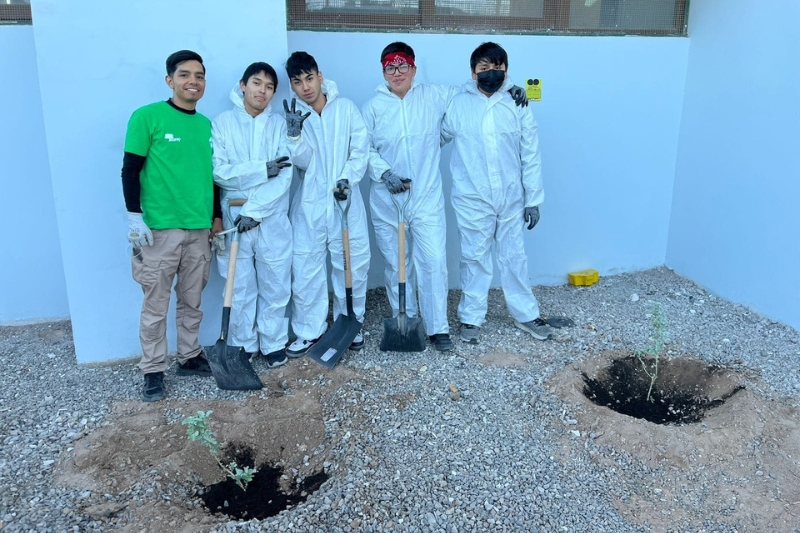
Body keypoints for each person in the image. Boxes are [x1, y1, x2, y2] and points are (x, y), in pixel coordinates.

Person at [362, 42, 530, 352]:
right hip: (387, 200)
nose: (397, 73)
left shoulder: (435, 96)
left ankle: (437, 327)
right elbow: (363, 148)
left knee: (434, 261)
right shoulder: (372, 107)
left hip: (425, 196)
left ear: (413, 68)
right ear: (383, 71)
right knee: (397, 264)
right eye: (390, 67)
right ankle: (408, 319)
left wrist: (508, 89)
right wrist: (383, 172)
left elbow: (476, 94)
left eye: (403, 66)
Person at [122, 50, 222, 402]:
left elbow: (213, 178)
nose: (192, 81)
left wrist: (216, 219)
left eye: (199, 75)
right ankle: (152, 369)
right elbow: (130, 168)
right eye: (184, 75)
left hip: (198, 229)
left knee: (192, 299)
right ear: (170, 80)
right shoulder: (148, 117)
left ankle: (189, 356)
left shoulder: (207, 125)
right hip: (160, 230)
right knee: (155, 303)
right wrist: (134, 216)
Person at [441, 42, 555, 345]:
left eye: (498, 69)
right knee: (474, 257)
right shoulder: (457, 103)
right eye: (484, 69)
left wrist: (534, 199)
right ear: (473, 71)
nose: (491, 74)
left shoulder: (517, 103)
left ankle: (526, 314)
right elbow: (434, 137)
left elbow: (530, 152)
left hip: (510, 196)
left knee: (514, 257)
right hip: (472, 196)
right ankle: (471, 318)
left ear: (506, 70)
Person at [282, 51, 371, 357]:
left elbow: (360, 148)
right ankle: (310, 330)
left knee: (351, 264)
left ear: (320, 77)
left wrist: (347, 178)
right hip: (310, 203)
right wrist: (294, 135)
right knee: (306, 266)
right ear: (292, 86)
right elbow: (304, 162)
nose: (305, 87)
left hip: (345, 200)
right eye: (297, 82)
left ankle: (351, 323)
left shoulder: (346, 109)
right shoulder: (296, 115)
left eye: (309, 78)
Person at [211, 61, 293, 368]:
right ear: (243, 85)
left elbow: (284, 177)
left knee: (275, 282)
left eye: (270, 86)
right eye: (257, 83)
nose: (263, 91)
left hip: (271, 220)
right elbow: (220, 173)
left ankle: (273, 342)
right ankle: (243, 345)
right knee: (239, 285)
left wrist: (256, 211)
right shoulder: (222, 124)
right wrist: (261, 169)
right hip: (234, 221)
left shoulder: (280, 126)